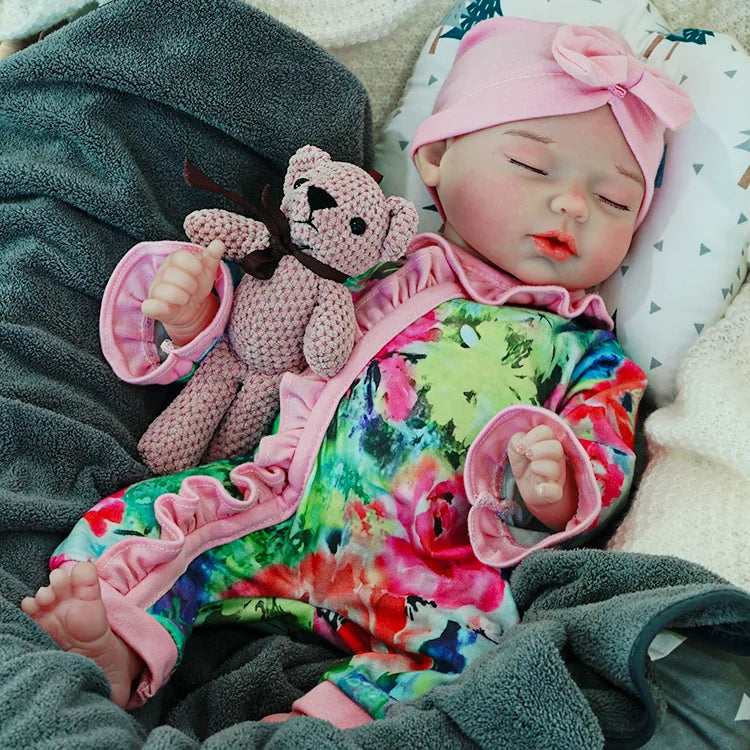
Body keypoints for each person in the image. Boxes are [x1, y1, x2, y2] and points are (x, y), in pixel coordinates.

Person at [20, 17, 692, 726]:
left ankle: (321, 727)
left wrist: (549, 490)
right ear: (435, 158)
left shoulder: (587, 351)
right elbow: (266, 335)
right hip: (276, 504)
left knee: (479, 645)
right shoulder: (368, 261)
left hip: (420, 569)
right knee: (134, 526)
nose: (572, 204)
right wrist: (194, 315)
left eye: (615, 200)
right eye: (531, 164)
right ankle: (117, 645)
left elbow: (606, 456)